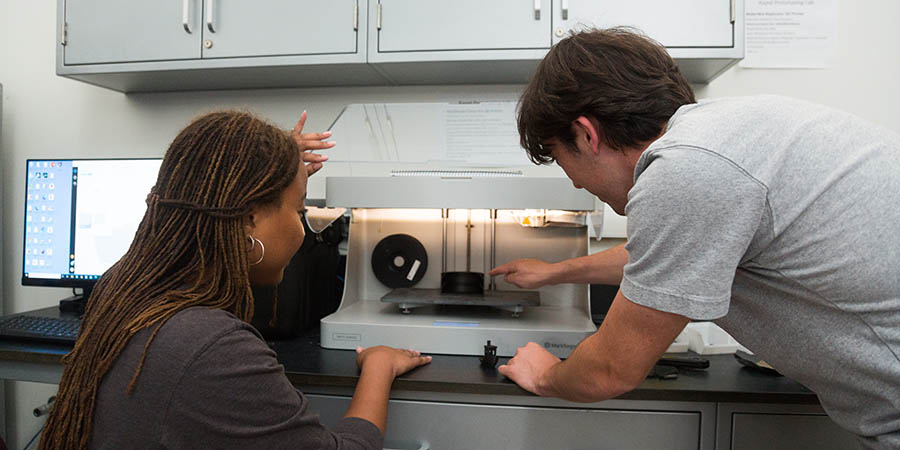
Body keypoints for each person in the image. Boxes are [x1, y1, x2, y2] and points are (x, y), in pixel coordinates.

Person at [489, 27, 900, 448]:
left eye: (561, 159)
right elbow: (665, 257)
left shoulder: (685, 173)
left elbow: (610, 370)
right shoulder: (722, 136)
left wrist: (545, 374)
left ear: (587, 135)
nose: (575, 184)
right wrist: (556, 273)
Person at [40, 111, 431, 450]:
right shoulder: (211, 348)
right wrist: (379, 367)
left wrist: (279, 167)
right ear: (248, 218)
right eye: (299, 209)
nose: (302, 227)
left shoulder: (120, 287)